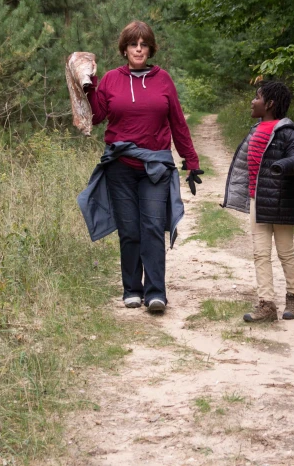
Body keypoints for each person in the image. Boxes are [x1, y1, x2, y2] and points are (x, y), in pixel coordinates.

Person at [78, 20, 203, 314]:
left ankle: (156, 292)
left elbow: (178, 122)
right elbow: (96, 117)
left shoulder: (163, 80)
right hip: (120, 166)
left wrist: (191, 160)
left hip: (156, 165)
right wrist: (90, 87)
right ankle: (132, 289)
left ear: (150, 49)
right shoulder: (110, 79)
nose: (138, 49)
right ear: (124, 49)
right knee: (130, 229)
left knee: (152, 226)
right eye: (133, 44)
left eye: (143, 44)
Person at [221, 81, 294, 322]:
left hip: (280, 202)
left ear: (269, 104)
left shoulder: (287, 132)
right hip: (258, 202)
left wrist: (282, 165)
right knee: (260, 253)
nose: (252, 101)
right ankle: (267, 305)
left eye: (257, 97)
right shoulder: (256, 130)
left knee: (285, 251)